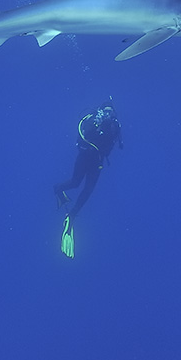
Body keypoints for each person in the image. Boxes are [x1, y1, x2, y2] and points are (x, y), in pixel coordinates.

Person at [54, 99, 122, 257]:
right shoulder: (93, 120)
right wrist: (97, 124)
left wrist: (111, 127)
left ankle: (71, 216)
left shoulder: (114, 126)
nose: (107, 115)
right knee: (75, 183)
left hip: (97, 162)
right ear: (100, 111)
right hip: (84, 157)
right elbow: (85, 135)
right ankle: (57, 188)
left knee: (89, 190)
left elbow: (115, 144)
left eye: (110, 113)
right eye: (105, 111)